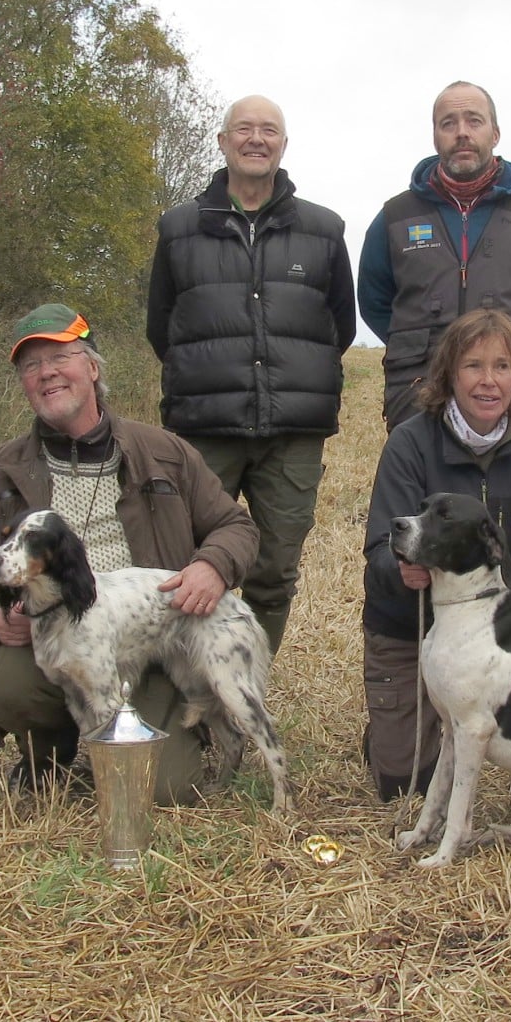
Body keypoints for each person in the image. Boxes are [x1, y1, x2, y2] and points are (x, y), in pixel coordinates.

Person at [0, 303, 262, 799]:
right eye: (30, 366)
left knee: (165, 788)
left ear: (92, 367)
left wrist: (212, 565)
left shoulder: (164, 451)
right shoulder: (3, 470)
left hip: (145, 644)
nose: (46, 373)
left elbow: (234, 526)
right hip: (52, 637)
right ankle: (49, 751)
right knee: (6, 681)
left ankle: (162, 732)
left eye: (60, 358)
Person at [145, 94, 355, 653]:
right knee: (186, 565)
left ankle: (247, 683)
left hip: (293, 433)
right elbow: (161, 328)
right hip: (203, 429)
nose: (256, 138)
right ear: (223, 142)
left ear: (284, 145)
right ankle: (187, 688)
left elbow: (341, 326)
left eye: (269, 130)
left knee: (273, 573)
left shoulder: (325, 229)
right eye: (243, 129)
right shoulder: (179, 228)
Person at [361, 306, 511, 799]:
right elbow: (379, 556)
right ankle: (404, 724)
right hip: (419, 621)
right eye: (473, 365)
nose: (489, 381)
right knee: (405, 788)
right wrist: (403, 571)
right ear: (448, 374)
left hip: (505, 619)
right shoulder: (410, 443)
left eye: (503, 366)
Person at [358, 81, 511, 433]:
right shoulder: (395, 218)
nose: (462, 133)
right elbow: (375, 304)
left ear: (495, 133)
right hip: (416, 397)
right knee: (421, 488)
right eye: (448, 123)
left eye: (474, 121)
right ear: (435, 136)